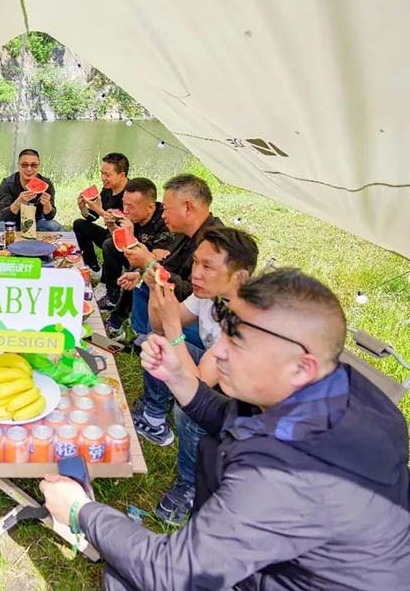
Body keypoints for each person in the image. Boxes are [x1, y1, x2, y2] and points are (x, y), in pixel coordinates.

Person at [41, 269, 410, 590]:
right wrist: (179, 378)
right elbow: (235, 420)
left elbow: (171, 573)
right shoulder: (342, 391)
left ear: (302, 367)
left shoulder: (285, 474)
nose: (217, 353)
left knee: (125, 578)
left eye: (237, 343)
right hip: (294, 566)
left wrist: (80, 511)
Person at [145, 227, 258, 523]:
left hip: (252, 409)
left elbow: (197, 385)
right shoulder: (209, 295)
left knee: (188, 414)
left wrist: (172, 327)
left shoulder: (246, 318)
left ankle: (191, 486)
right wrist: (156, 292)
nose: (195, 273)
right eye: (196, 262)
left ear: (239, 278)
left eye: (208, 266)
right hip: (216, 372)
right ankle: (153, 416)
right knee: (157, 345)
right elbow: (158, 327)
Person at [106, 173, 222, 343]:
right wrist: (142, 272)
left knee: (150, 275)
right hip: (183, 303)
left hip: (204, 322)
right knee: (144, 279)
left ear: (187, 208)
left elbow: (192, 294)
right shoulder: (185, 233)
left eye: (166, 209)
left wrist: (149, 262)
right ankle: (142, 338)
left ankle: (155, 341)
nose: (163, 216)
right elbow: (168, 266)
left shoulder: (215, 245)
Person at [95, 177, 170, 314]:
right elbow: (119, 242)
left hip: (155, 268)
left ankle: (118, 318)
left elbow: (155, 262)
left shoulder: (164, 223)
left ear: (150, 208)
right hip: (136, 256)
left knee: (135, 269)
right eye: (124, 204)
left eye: (130, 206)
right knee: (109, 245)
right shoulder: (134, 215)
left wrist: (131, 236)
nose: (125, 210)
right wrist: (111, 226)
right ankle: (112, 296)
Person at [73, 152, 129, 275]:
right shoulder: (107, 190)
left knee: (109, 241)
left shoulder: (131, 194)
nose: (103, 178)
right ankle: (92, 266)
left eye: (107, 175)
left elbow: (125, 226)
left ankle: (107, 281)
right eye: (102, 173)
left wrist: (100, 211)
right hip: (109, 234)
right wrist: (83, 208)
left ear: (122, 175)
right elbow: (93, 217)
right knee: (79, 224)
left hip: (126, 240)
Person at [0, 148, 62, 232]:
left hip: (37, 221)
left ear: (39, 166)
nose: (29, 169)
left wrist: (47, 205)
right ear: (18, 166)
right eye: (24, 165)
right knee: (1, 227)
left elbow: (50, 217)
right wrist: (18, 202)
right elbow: (3, 217)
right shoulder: (7, 184)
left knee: (54, 226)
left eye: (34, 165)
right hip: (14, 221)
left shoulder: (47, 184)